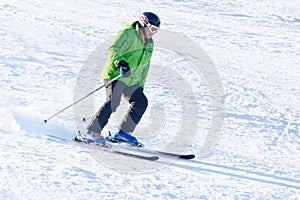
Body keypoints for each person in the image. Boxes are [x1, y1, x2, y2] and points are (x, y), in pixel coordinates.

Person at [85, 12, 160, 146]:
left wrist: (140, 86)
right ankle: (93, 131)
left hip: (132, 80)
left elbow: (145, 67)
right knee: (113, 101)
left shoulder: (149, 44)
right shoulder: (128, 34)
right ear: (144, 25)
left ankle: (123, 133)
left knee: (141, 101)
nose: (154, 33)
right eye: (153, 29)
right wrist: (120, 63)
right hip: (116, 74)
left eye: (156, 30)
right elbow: (114, 49)